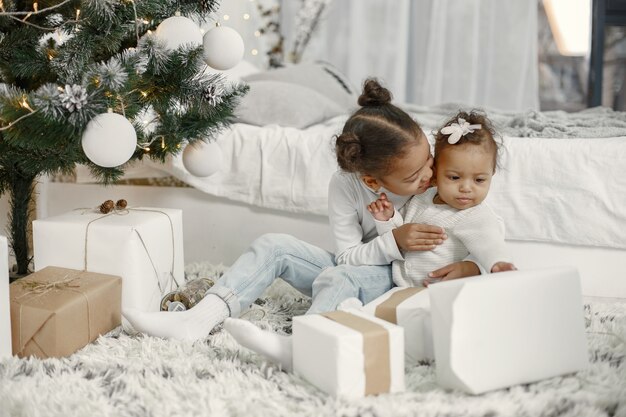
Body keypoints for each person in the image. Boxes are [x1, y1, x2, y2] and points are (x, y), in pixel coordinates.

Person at [123, 79, 481, 353]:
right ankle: (196, 321)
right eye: (413, 175)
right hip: (364, 265)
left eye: (429, 163)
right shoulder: (346, 187)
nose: (428, 176)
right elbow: (346, 256)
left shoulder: (440, 182)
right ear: (372, 179)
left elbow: (476, 229)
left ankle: (303, 348)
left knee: (339, 278)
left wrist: (472, 266)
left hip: (395, 280)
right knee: (274, 246)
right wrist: (393, 241)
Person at [367, 110, 516, 288]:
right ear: (436, 173)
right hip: (399, 285)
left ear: (491, 175)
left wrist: (498, 263)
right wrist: (387, 219)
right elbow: (400, 235)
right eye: (454, 177)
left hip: (440, 290)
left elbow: (489, 242)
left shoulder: (474, 215)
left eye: (479, 180)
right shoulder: (421, 198)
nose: (466, 188)